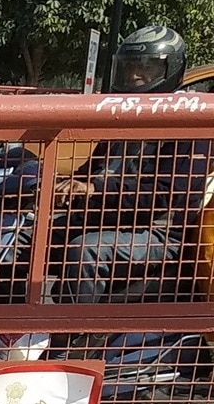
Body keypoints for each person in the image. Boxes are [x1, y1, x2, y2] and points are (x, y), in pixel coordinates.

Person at [62, 25, 210, 303]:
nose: (134, 76)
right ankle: (6, 333)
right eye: (129, 67)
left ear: (171, 70)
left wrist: (94, 190)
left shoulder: (188, 123)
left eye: (146, 68)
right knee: (22, 236)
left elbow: (162, 196)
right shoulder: (127, 116)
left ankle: (68, 341)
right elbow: (90, 170)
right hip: (112, 218)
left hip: (158, 233)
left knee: (86, 251)